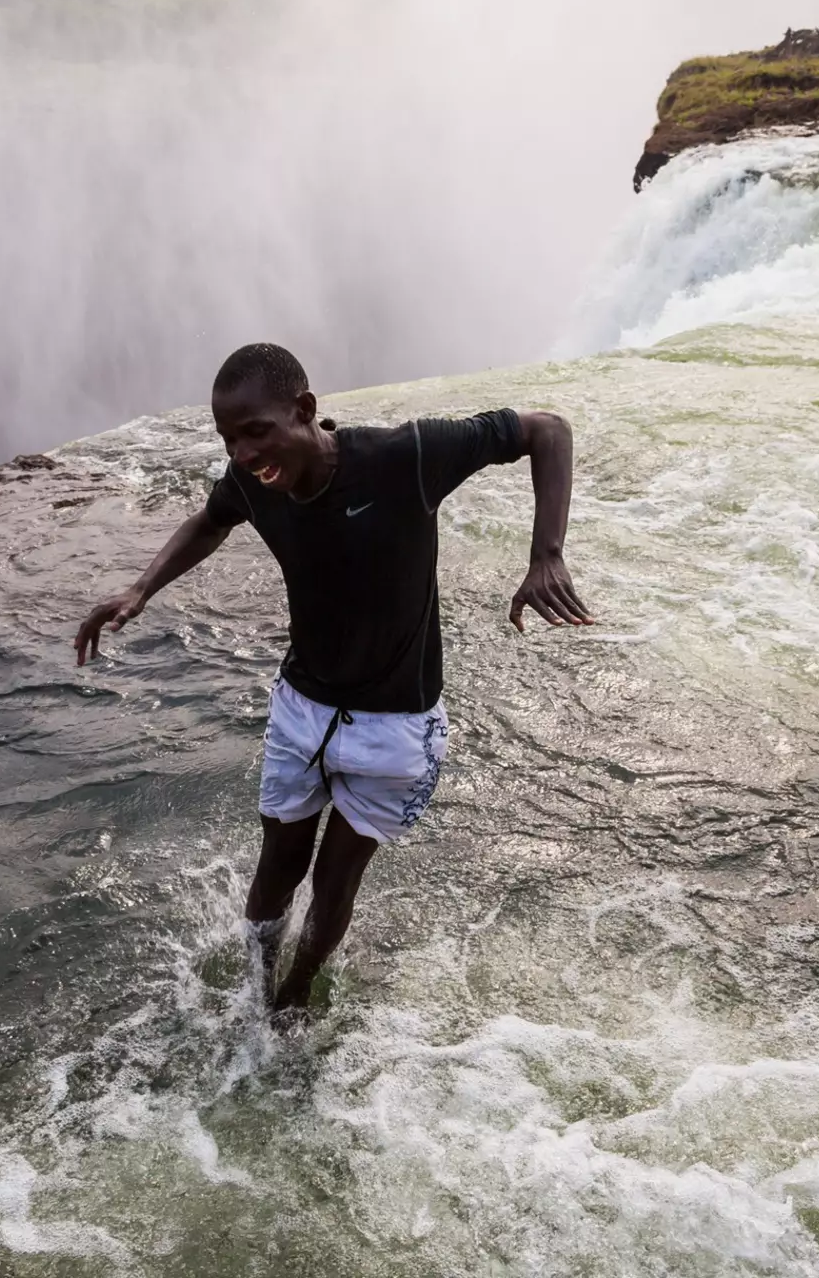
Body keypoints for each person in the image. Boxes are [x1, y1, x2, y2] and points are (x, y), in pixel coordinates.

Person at [74, 343, 591, 1014]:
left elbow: (545, 429)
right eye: (228, 438)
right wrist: (140, 589)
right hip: (302, 713)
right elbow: (209, 521)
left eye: (255, 431)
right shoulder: (252, 483)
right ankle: (254, 992)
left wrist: (545, 554)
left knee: (333, 880)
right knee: (276, 868)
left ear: (306, 411)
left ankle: (294, 997)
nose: (241, 453)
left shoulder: (404, 456)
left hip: (395, 727)